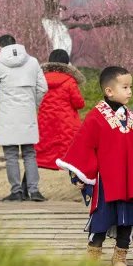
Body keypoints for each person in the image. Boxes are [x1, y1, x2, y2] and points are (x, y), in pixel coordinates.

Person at [58, 66, 133, 266]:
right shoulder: (96, 117)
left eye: (130, 87)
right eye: (125, 87)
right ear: (109, 91)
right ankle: (93, 253)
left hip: (131, 179)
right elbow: (82, 146)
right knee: (102, 217)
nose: (130, 91)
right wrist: (80, 176)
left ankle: (120, 257)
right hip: (107, 181)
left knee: (128, 219)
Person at [0, 34, 49, 201]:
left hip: (7, 114)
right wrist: (33, 104)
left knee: (11, 154)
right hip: (27, 112)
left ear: (1, 47)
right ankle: (34, 190)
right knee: (29, 153)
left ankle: (16, 191)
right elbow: (43, 87)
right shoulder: (33, 62)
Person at [36, 50, 87, 183]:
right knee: (66, 144)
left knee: (46, 142)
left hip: (45, 119)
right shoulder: (70, 81)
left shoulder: (41, 78)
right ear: (66, 62)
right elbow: (79, 103)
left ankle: (45, 165)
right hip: (66, 121)